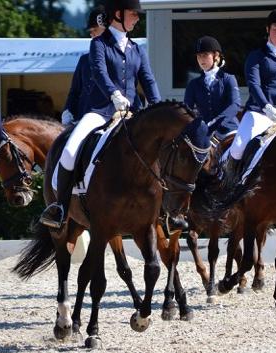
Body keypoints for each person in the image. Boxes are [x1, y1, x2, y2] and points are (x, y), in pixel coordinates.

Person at [40, 0, 161, 229]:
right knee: (69, 149)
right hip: (101, 112)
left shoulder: (138, 50)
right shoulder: (99, 45)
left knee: (160, 149)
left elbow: (149, 81)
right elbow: (99, 73)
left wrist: (158, 108)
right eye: (133, 14)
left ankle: (166, 210)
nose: (137, 18)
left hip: (132, 114)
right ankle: (61, 208)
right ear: (118, 14)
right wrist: (114, 94)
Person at [227, 8, 276, 232]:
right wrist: (266, 106)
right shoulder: (257, 56)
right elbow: (253, 84)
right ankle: (231, 190)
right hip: (260, 113)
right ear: (268, 30)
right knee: (238, 147)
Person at [184, 36, 241, 143]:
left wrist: (215, 123)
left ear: (216, 55)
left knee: (238, 151)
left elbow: (235, 105)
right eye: (198, 56)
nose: (201, 59)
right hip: (205, 133)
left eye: (205, 55)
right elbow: (187, 110)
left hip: (228, 130)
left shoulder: (228, 79)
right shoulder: (193, 84)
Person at [61, 6, 107, 125]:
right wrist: (68, 109)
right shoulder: (85, 60)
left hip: (109, 117)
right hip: (84, 117)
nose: (91, 34)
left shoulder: (120, 57)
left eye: (94, 30)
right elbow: (75, 91)